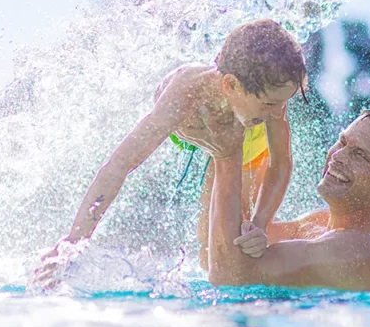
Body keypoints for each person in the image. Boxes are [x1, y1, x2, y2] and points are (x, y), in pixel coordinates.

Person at [33, 19, 307, 286]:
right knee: (221, 248)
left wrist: (259, 223)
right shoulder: (184, 95)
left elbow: (280, 163)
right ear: (231, 85)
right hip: (205, 125)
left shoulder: (266, 108)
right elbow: (120, 163)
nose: (279, 113)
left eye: (284, 103)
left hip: (245, 137)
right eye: (272, 103)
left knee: (220, 255)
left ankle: (280, 235)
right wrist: (74, 240)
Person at [209, 108, 370, 291]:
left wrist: (225, 154)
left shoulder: (362, 251)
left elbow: (230, 274)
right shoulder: (320, 223)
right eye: (342, 142)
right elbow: (227, 245)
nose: (336, 156)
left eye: (359, 154)